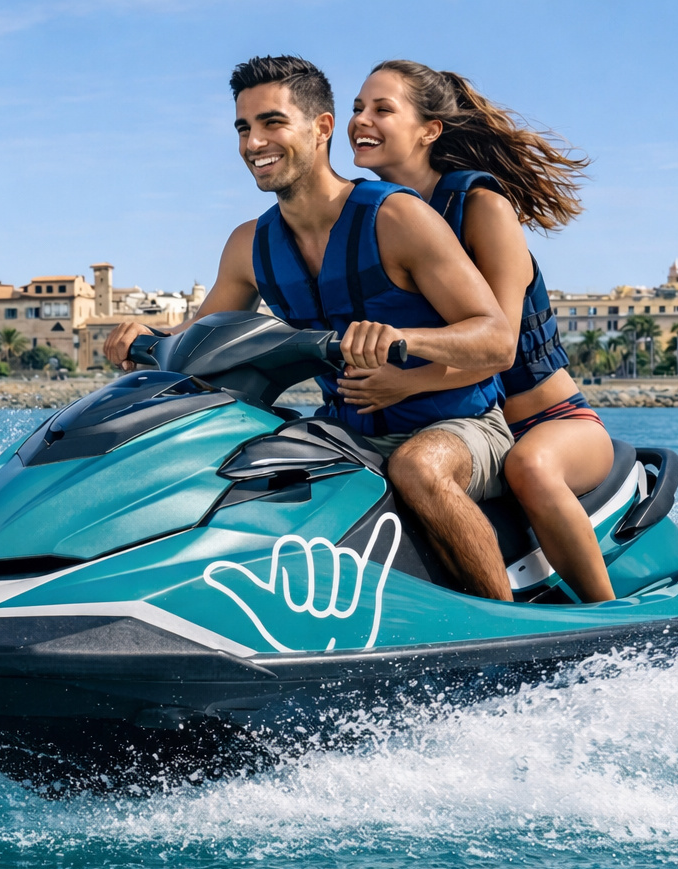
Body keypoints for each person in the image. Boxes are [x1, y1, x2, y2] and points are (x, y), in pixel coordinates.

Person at [104, 55, 517, 600]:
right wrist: (147, 343)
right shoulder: (249, 245)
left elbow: (497, 340)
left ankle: (502, 630)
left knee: (418, 467)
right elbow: (196, 350)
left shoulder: (396, 218)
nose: (254, 143)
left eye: (272, 123)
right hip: (349, 430)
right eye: (244, 128)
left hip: (462, 427)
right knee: (243, 457)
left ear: (321, 128)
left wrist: (402, 341)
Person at [340, 60, 614, 602]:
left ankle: (606, 617)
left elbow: (498, 346)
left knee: (529, 467)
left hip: (550, 420)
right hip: (462, 424)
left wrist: (407, 382)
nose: (359, 120)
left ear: (429, 130)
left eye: (381, 109)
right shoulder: (378, 220)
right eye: (356, 108)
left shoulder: (482, 207)